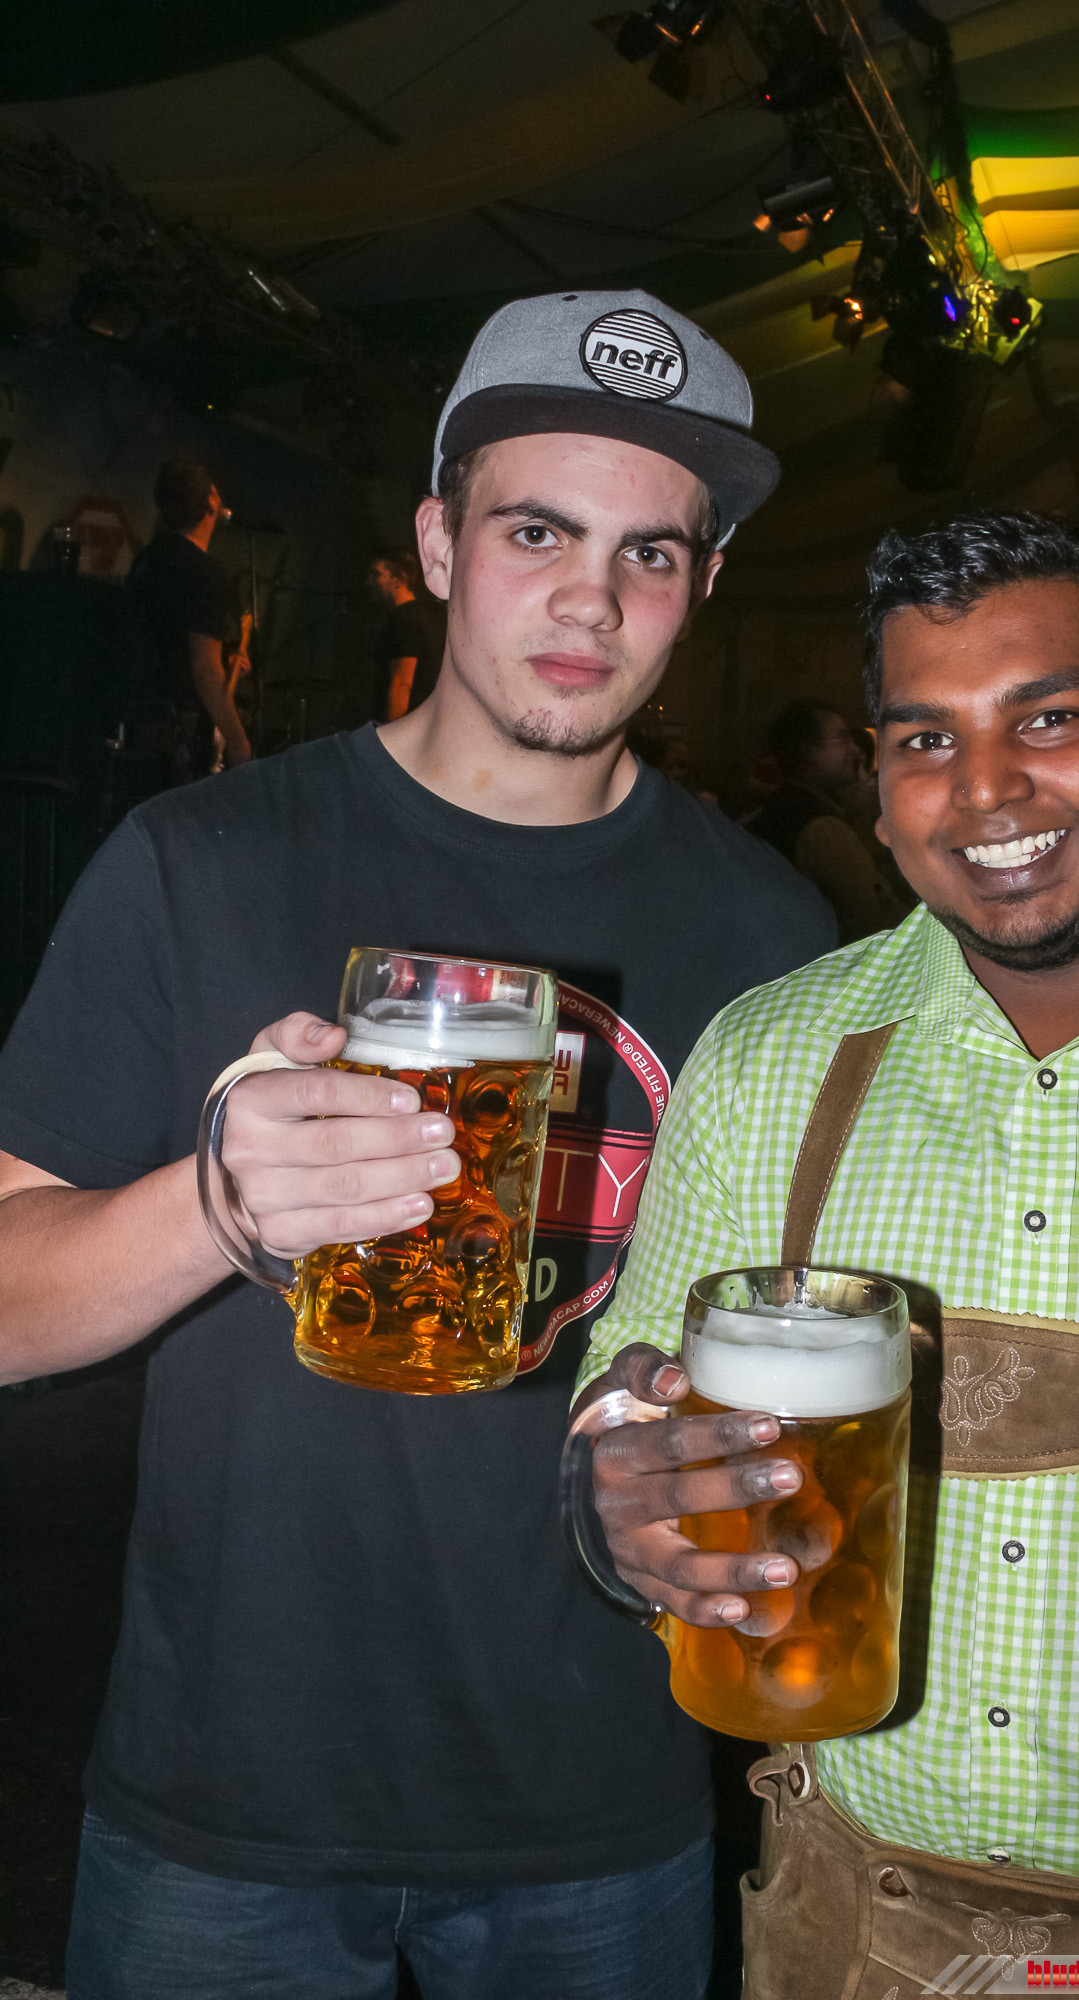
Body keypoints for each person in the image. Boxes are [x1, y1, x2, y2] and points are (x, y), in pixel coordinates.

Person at [0, 289, 836, 2000]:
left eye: (650, 552)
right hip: (228, 1792)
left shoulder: (775, 932)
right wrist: (215, 1206)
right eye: (537, 531)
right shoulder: (198, 860)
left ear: (702, 585)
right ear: (439, 543)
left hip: (600, 1798)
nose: (591, 598)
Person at [578, 511, 1079, 1995]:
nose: (983, 787)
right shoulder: (767, 1055)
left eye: (1047, 717)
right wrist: (617, 1496)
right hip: (841, 1922)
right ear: (877, 789)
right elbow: (625, 1377)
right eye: (925, 739)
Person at [126, 458, 250, 777]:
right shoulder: (205, 571)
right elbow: (204, 668)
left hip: (135, 715)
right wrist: (238, 741)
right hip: (181, 727)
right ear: (212, 502)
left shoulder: (146, 560)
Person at [748, 699, 908, 940]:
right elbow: (882, 920)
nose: (855, 750)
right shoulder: (822, 829)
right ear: (808, 751)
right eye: (843, 739)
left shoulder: (780, 809)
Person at [369, 548, 434, 721]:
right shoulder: (417, 615)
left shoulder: (404, 618)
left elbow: (402, 681)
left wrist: (391, 730)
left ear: (399, 579)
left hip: (404, 722)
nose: (370, 582)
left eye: (377, 575)